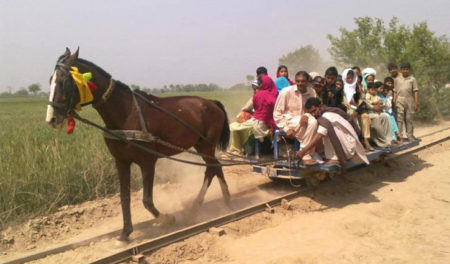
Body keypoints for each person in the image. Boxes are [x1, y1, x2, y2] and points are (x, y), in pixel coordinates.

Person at [296, 98, 369, 169]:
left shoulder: (325, 117)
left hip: (347, 150)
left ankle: (335, 158)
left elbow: (319, 136)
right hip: (352, 144)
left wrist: (303, 151)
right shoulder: (332, 111)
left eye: (314, 110)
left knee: (323, 131)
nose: (313, 114)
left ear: (320, 106)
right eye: (311, 113)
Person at [273, 71, 318, 164]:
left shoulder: (311, 92)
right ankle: (305, 154)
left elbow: (315, 109)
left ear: (307, 81)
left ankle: (304, 152)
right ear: (295, 81)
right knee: (308, 123)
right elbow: (277, 113)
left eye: (303, 81)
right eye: (298, 81)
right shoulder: (286, 92)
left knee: (314, 122)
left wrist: (306, 115)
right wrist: (286, 128)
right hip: (289, 121)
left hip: (306, 119)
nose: (300, 83)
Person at [228, 80, 259, 154]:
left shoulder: (261, 97)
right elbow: (246, 108)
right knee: (233, 126)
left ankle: (240, 149)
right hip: (253, 118)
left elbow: (246, 108)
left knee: (237, 127)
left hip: (259, 120)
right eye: (254, 89)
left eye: (257, 88)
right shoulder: (254, 97)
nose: (256, 90)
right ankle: (236, 149)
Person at [393, 62, 419, 141]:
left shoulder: (412, 79)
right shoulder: (397, 79)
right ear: (401, 70)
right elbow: (395, 91)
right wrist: (394, 100)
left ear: (409, 70)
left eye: (407, 69)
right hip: (399, 99)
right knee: (399, 118)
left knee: (409, 118)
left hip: (409, 99)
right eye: (403, 69)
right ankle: (400, 136)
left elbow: (415, 91)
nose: (405, 71)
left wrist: (416, 102)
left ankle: (410, 135)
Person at [365, 83, 392, 148]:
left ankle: (388, 140)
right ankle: (382, 142)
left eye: (374, 89)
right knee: (376, 117)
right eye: (372, 89)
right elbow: (368, 104)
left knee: (384, 116)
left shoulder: (376, 95)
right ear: (368, 90)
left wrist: (379, 105)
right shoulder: (367, 95)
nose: (373, 90)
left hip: (377, 111)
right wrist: (375, 105)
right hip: (369, 112)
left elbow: (380, 102)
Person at [253, 75, 278, 141]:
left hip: (262, 121)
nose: (259, 86)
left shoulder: (258, 94)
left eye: (260, 84)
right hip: (272, 121)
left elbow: (255, 108)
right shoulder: (275, 94)